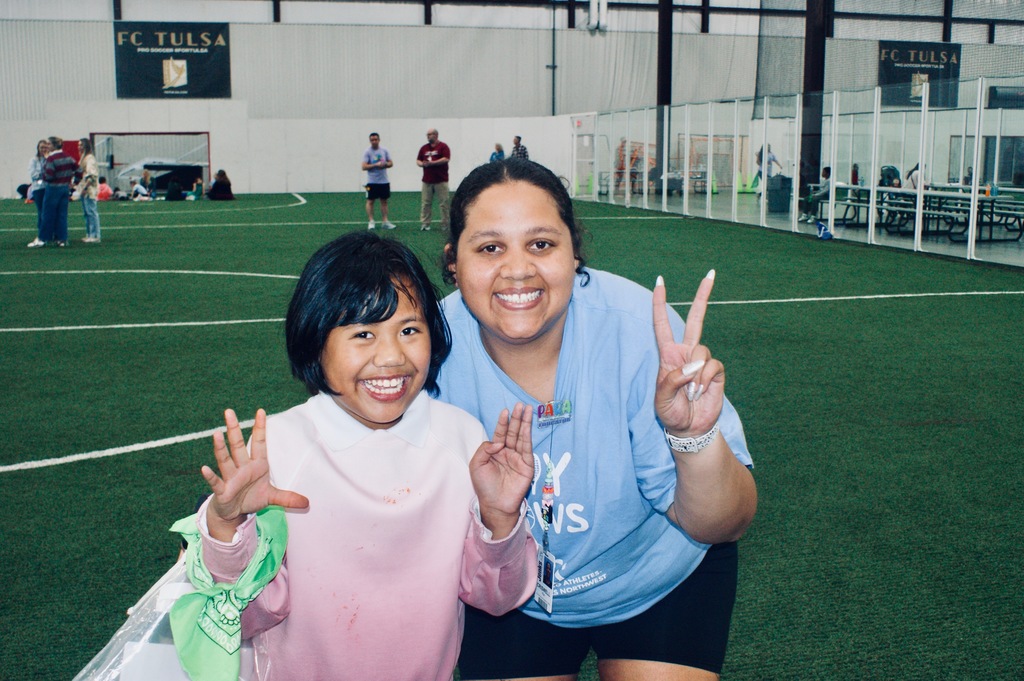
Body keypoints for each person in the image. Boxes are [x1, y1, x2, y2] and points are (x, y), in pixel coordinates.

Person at [437, 160, 757, 681]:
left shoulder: (638, 333)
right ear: (454, 261)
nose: (518, 269)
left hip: (656, 578)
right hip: (506, 589)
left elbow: (725, 523)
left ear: (574, 251)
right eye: (490, 247)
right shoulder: (427, 348)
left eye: (541, 244)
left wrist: (691, 438)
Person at [174, 232, 539, 681]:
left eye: (409, 330)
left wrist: (501, 519)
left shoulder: (461, 438)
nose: (391, 356)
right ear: (315, 341)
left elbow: (497, 598)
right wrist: (228, 528)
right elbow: (249, 616)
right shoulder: (281, 448)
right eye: (363, 333)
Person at [39, 136, 77, 248]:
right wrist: (74, 183)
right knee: (62, 215)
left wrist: (44, 177)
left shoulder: (51, 159)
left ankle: (44, 238)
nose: (47, 146)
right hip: (65, 188)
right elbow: (78, 170)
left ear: (54, 145)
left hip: (53, 188)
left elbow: (49, 175)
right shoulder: (68, 157)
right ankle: (62, 239)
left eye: (49, 144)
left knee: (47, 214)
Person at [416, 128, 450, 231]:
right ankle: (425, 224)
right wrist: (422, 164)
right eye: (427, 135)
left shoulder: (443, 147)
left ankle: (445, 224)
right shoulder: (424, 148)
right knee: (426, 203)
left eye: (430, 134)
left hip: (441, 180)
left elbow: (446, 158)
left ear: (436, 135)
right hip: (427, 181)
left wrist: (433, 163)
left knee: (444, 203)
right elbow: (418, 160)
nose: (428, 136)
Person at [361, 132, 396, 230]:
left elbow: (391, 163)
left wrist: (384, 164)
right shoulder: (367, 152)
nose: (374, 141)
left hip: (384, 181)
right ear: (370, 141)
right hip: (371, 182)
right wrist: (375, 165)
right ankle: (371, 221)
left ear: (379, 140)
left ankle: (385, 221)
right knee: (370, 201)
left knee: (384, 201)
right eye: (372, 140)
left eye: (376, 139)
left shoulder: (384, 150)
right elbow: (363, 166)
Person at [76, 138, 101, 243]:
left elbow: (91, 175)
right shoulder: (83, 157)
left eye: (81, 145)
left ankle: (95, 235)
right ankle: (89, 233)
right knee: (87, 213)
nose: (79, 147)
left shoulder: (90, 158)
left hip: (89, 189)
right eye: (78, 145)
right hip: (84, 187)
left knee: (91, 212)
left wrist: (86, 187)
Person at [26, 139, 51, 248]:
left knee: (49, 211)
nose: (43, 150)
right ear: (38, 148)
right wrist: (44, 174)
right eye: (42, 147)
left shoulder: (50, 159)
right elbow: (33, 174)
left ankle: (50, 234)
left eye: (46, 147)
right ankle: (42, 234)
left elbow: (52, 172)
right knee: (41, 211)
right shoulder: (33, 160)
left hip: (49, 188)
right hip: (38, 189)